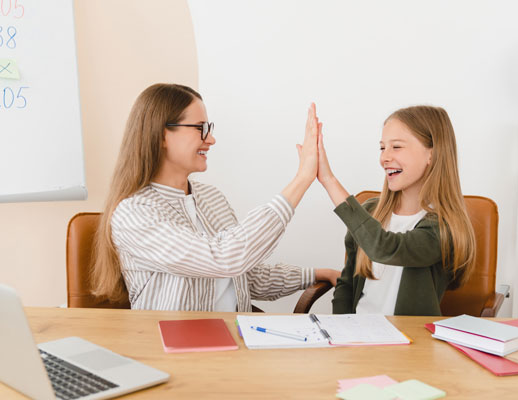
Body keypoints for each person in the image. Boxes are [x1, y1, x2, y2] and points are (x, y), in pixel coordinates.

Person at [91, 83, 339, 311]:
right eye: (201, 128)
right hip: (171, 352)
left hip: (234, 340)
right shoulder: (134, 213)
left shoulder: (212, 198)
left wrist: (314, 273)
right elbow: (223, 258)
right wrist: (302, 179)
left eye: (209, 128)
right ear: (162, 135)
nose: (211, 139)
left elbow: (243, 277)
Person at [316, 105, 476, 316]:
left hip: (408, 344)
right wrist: (341, 329)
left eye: (397, 147)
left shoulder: (445, 226)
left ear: (432, 154)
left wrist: (328, 180)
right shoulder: (371, 211)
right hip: (358, 338)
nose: (384, 158)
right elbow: (347, 284)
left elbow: (384, 248)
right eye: (382, 148)